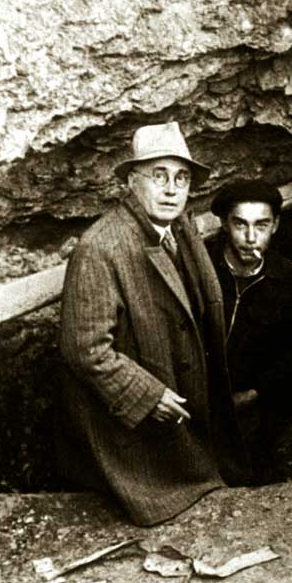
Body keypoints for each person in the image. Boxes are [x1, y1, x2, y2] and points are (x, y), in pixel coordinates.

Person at [58, 122, 246, 526]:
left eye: (181, 178)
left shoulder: (180, 227)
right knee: (175, 500)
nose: (171, 189)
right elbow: (85, 348)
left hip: (184, 395)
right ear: (131, 182)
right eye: (158, 176)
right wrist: (147, 395)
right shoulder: (100, 248)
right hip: (132, 423)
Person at [204, 177, 292, 480]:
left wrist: (255, 393)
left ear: (275, 225)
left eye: (261, 225)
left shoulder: (288, 280)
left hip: (247, 410)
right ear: (225, 224)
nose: (251, 237)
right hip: (192, 401)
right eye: (240, 225)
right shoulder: (199, 269)